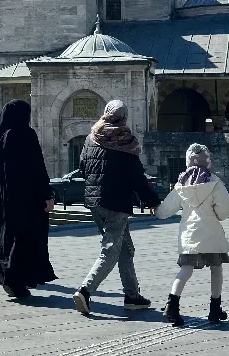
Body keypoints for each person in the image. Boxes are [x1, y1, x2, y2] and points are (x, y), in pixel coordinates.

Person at [73, 100, 160, 315]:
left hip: (94, 201)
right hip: (116, 202)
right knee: (110, 250)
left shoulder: (91, 137)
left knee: (125, 249)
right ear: (124, 117)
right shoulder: (125, 140)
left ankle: (132, 296)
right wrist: (152, 201)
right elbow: (137, 177)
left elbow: (82, 167)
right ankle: (85, 290)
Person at [0, 99, 57, 299]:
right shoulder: (25, 134)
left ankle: (1, 270)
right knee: (26, 236)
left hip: (2, 197)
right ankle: (15, 279)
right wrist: (47, 195)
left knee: (5, 234)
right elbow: (37, 167)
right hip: (26, 197)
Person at [156, 143, 229, 326]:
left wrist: (156, 211)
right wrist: (217, 215)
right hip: (211, 234)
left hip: (189, 234)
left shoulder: (182, 184)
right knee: (216, 268)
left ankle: (172, 305)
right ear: (208, 161)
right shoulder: (215, 183)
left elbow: (166, 209)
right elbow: (224, 209)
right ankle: (215, 309)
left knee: (186, 269)